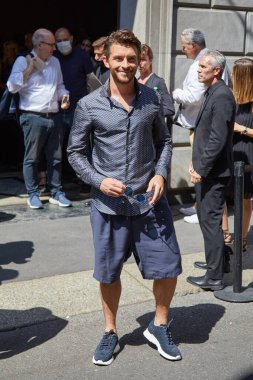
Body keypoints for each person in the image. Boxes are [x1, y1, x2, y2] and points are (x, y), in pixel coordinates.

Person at [67, 29, 182, 365]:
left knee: (168, 267)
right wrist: (99, 181)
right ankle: (110, 331)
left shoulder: (151, 99)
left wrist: (161, 173)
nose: (125, 64)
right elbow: (75, 153)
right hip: (108, 206)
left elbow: (164, 142)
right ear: (106, 59)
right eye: (118, 58)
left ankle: (159, 325)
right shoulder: (89, 105)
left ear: (139, 61)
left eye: (131, 58)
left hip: (149, 202)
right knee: (109, 273)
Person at [186, 50, 236, 291]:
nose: (199, 69)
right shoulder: (212, 92)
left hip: (214, 173)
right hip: (207, 169)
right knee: (209, 220)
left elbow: (217, 138)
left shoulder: (223, 96)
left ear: (217, 70)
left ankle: (215, 276)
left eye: (204, 66)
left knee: (210, 221)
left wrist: (201, 169)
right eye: (199, 66)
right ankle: (216, 263)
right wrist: (195, 163)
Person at [7, 28, 72, 209]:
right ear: (39, 45)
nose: (55, 48)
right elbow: (12, 87)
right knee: (32, 159)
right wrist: (30, 68)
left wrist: (64, 96)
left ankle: (56, 192)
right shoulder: (22, 60)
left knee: (56, 158)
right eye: (52, 45)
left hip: (54, 116)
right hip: (32, 117)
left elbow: (60, 86)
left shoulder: (55, 62)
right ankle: (33, 194)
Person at [173, 28, 231, 228]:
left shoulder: (208, 65)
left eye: (184, 46)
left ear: (194, 45)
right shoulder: (209, 63)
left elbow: (194, 96)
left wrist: (175, 93)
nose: (183, 51)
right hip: (199, 125)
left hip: (203, 128)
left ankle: (202, 209)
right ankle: (201, 206)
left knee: (208, 183)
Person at [54, 27, 99, 188]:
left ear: (72, 39)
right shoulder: (53, 57)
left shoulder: (82, 55)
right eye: (58, 41)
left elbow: (91, 80)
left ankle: (86, 181)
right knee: (56, 149)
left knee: (81, 147)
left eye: (64, 40)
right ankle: (56, 184)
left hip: (79, 109)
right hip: (57, 110)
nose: (62, 43)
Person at [230, 57, 253, 252]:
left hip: (248, 156)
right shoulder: (232, 97)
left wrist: (241, 129)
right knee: (222, 198)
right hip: (231, 152)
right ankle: (226, 236)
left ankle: (242, 239)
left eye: (234, 72)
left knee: (245, 199)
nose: (230, 75)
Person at [138, 43, 175, 128]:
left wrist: (151, 113)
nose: (140, 63)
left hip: (153, 131)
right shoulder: (135, 82)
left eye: (143, 59)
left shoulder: (158, 82)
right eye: (138, 59)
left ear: (150, 60)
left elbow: (169, 109)